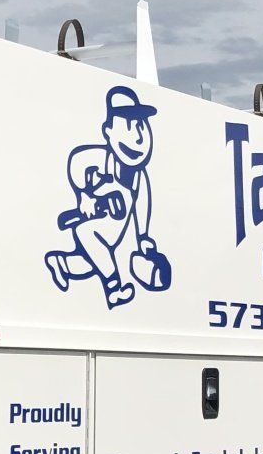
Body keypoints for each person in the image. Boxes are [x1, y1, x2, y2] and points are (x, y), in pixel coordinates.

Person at [44, 84, 171, 307]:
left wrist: (143, 237)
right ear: (108, 131)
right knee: (95, 244)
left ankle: (63, 263)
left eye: (142, 126)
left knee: (95, 258)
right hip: (90, 226)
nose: (139, 138)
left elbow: (142, 205)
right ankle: (114, 288)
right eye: (130, 126)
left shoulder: (140, 177)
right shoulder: (99, 157)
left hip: (113, 231)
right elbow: (76, 162)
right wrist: (85, 197)